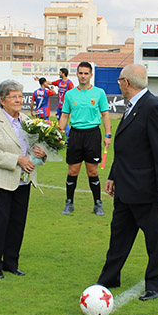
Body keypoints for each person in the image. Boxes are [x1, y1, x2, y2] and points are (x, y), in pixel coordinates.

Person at [97, 65, 158, 301]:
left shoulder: (152, 107)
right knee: (118, 236)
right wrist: (113, 175)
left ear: (126, 83)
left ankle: (156, 284)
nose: (119, 83)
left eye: (120, 80)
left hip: (146, 189)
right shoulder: (132, 107)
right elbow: (125, 148)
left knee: (155, 239)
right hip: (125, 187)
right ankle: (109, 278)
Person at [0, 80, 47, 279]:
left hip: (23, 181)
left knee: (17, 224)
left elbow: (36, 152)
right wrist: (17, 159)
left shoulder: (28, 121)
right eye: (14, 96)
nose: (19, 100)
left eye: (20, 96)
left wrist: (41, 153)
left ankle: (11, 262)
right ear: (2, 101)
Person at [58, 62, 112, 217]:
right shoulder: (69, 94)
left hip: (93, 135)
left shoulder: (99, 93)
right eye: (80, 73)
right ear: (77, 74)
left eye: (86, 73)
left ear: (91, 75)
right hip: (75, 135)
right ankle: (69, 202)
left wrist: (107, 134)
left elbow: (105, 114)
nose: (83, 76)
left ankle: (97, 203)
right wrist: (58, 133)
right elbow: (64, 116)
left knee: (92, 171)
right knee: (72, 171)